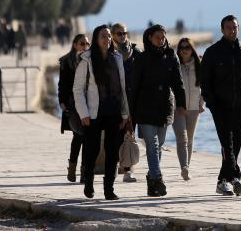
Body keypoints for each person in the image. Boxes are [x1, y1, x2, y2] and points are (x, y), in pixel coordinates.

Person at [199, 15, 241, 196]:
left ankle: (223, 181)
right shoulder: (212, 52)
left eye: (235, 27)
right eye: (229, 27)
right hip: (220, 106)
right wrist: (212, 103)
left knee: (236, 145)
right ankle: (235, 178)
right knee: (227, 144)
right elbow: (205, 81)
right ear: (222, 30)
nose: (232, 30)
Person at [128, 24, 186, 197]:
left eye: (163, 37)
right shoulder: (141, 58)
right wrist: (130, 114)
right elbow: (134, 87)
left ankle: (151, 180)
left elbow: (178, 82)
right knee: (152, 146)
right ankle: (158, 178)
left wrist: (182, 104)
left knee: (159, 146)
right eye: (157, 37)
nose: (161, 40)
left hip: (165, 106)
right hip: (145, 107)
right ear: (149, 38)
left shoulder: (171, 56)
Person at [73, 25, 129, 200]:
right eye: (103, 36)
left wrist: (125, 113)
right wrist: (83, 113)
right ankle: (88, 182)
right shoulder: (86, 60)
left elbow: (122, 88)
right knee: (92, 150)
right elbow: (78, 89)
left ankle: (109, 189)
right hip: (93, 113)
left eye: (108, 36)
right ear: (96, 39)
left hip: (114, 111)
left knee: (112, 151)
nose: (107, 39)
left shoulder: (117, 58)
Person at [111, 22, 141, 183]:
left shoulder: (135, 52)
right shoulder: (109, 54)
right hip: (114, 101)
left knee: (129, 134)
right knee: (115, 135)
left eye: (125, 33)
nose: (123, 36)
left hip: (131, 101)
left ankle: (128, 170)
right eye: (119, 34)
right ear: (113, 35)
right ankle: (117, 164)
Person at [172, 37, 205, 180]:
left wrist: (201, 103)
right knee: (182, 139)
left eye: (187, 47)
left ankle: (187, 167)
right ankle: (184, 167)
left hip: (193, 108)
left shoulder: (199, 65)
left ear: (192, 49)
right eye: (182, 48)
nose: (184, 50)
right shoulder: (174, 65)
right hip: (177, 108)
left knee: (190, 140)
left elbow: (205, 86)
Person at [59, 33, 90, 183]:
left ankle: (84, 172)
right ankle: (72, 168)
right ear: (75, 45)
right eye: (82, 44)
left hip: (89, 104)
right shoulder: (66, 62)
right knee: (78, 136)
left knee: (86, 138)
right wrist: (62, 103)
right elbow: (62, 85)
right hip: (72, 105)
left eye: (87, 44)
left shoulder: (91, 60)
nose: (85, 46)